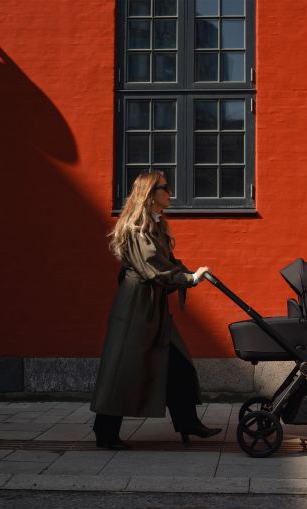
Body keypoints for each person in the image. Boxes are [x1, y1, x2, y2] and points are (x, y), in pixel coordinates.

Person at [90, 170, 221, 450]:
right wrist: (190, 278)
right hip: (136, 307)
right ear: (150, 194)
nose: (170, 192)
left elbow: (167, 262)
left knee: (178, 362)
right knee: (124, 368)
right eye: (165, 187)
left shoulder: (155, 225)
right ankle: (105, 431)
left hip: (151, 305)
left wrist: (188, 272)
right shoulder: (138, 230)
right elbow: (154, 268)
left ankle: (188, 422)